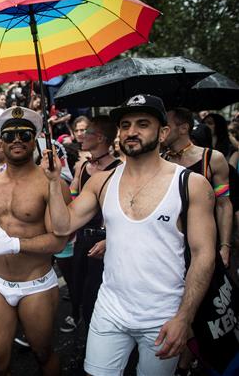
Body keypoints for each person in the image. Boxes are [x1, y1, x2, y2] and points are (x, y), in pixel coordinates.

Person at [43, 94, 216, 376]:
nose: (131, 131)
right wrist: (52, 182)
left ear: (163, 132)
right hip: (110, 311)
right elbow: (63, 227)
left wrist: (184, 318)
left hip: (163, 317)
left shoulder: (191, 185)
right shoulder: (102, 181)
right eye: (125, 125)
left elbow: (203, 255)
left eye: (142, 124)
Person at [0, 106, 70, 375]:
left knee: (42, 353)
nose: (17, 141)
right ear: (0, 140)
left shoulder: (52, 184)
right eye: (9, 136)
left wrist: (17, 244)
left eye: (24, 134)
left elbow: (59, 241)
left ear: (35, 139)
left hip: (36, 284)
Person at [67, 116, 122, 333]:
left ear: (99, 138)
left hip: (105, 242)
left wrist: (110, 239)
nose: (80, 135)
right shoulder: (83, 167)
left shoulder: (119, 169)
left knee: (97, 294)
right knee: (78, 287)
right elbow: (73, 196)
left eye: (86, 131)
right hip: (82, 237)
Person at [164, 107, 233, 268]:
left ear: (183, 128)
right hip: (169, 246)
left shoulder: (212, 159)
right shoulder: (162, 160)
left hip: (204, 243)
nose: (162, 130)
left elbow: (224, 204)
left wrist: (225, 246)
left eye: (166, 125)